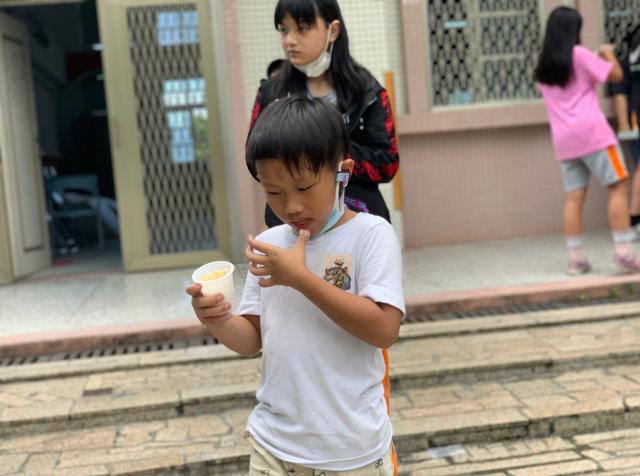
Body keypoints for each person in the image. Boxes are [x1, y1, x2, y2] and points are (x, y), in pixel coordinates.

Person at [187, 96, 404, 475]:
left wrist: (302, 279)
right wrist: (217, 319)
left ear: (343, 172)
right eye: (274, 192)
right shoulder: (270, 244)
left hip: (351, 450)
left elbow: (384, 329)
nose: (291, 207)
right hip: (274, 444)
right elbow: (252, 339)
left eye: (304, 188)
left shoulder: (371, 235)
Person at [248, 0, 399, 227]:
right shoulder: (271, 92)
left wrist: (329, 149)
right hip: (291, 224)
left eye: (302, 28)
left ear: (333, 30)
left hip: (357, 218)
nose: (289, 40)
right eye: (284, 30)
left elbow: (387, 164)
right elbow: (253, 159)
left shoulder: (367, 91)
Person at [535, 6, 640, 274]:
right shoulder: (579, 55)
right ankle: (624, 252)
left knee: (574, 197)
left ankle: (576, 259)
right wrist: (607, 53)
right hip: (594, 135)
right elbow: (615, 75)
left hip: (565, 141)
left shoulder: (544, 67)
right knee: (618, 185)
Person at [612, 25, 640, 237]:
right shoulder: (627, 63)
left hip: (633, 122)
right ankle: (635, 217)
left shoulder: (626, 62)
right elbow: (619, 93)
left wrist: (623, 125)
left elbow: (620, 94)